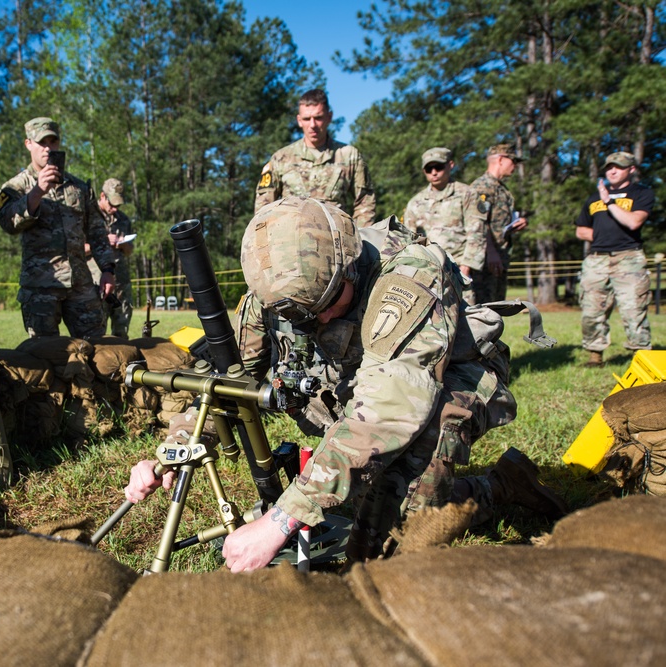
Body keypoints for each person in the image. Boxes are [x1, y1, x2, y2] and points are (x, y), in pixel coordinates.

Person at [126, 197, 566, 571]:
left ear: (350, 270)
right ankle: (498, 483)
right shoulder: (276, 290)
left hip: (442, 384)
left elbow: (388, 413)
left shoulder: (408, 277)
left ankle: (500, 489)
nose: (315, 322)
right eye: (300, 316)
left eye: (325, 306)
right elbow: (232, 382)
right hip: (359, 391)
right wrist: (174, 449)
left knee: (389, 551)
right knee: (355, 501)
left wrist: (279, 521)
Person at [0, 117, 116, 338]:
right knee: (46, 355)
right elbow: (7, 223)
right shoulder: (16, 187)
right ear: (28, 144)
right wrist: (37, 192)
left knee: (98, 350)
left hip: (81, 286)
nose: (48, 148)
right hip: (41, 287)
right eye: (42, 142)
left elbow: (97, 232)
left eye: (53, 141)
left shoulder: (79, 187)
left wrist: (108, 270)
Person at [575, 151, 653, 368]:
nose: (612, 170)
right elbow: (581, 230)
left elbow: (634, 222)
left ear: (632, 169)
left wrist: (609, 202)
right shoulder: (593, 197)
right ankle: (595, 357)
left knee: (633, 310)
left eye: (618, 166)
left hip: (629, 258)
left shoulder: (641, 193)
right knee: (591, 310)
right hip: (597, 259)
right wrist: (602, 236)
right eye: (609, 167)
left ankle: (642, 358)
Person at [254, 89, 376, 226]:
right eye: (306, 119)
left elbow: (365, 202)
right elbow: (263, 208)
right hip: (290, 241)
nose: (312, 125)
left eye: (318, 118)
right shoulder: (281, 158)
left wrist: (360, 240)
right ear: (299, 120)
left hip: (337, 240)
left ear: (329, 117)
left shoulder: (349, 155)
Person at [403, 147, 486, 302]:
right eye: (429, 169)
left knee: (466, 320)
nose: (434, 172)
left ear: (450, 165)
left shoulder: (466, 194)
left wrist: (466, 268)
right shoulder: (415, 202)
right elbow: (408, 241)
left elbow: (477, 233)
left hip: (459, 270)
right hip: (427, 273)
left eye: (439, 167)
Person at [470, 144, 528, 303]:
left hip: (498, 259)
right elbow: (478, 221)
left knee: (496, 308)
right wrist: (491, 251)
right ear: (501, 160)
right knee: (484, 310)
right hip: (486, 261)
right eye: (513, 161)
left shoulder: (500, 188)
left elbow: (495, 222)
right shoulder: (483, 186)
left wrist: (514, 225)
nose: (515, 166)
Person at [88, 178, 134, 338]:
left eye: (118, 206)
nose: (115, 209)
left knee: (121, 333)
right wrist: (103, 241)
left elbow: (129, 251)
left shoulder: (123, 220)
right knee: (95, 334)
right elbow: (76, 248)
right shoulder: (88, 217)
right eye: (112, 205)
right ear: (102, 196)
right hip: (96, 284)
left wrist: (122, 244)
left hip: (120, 283)